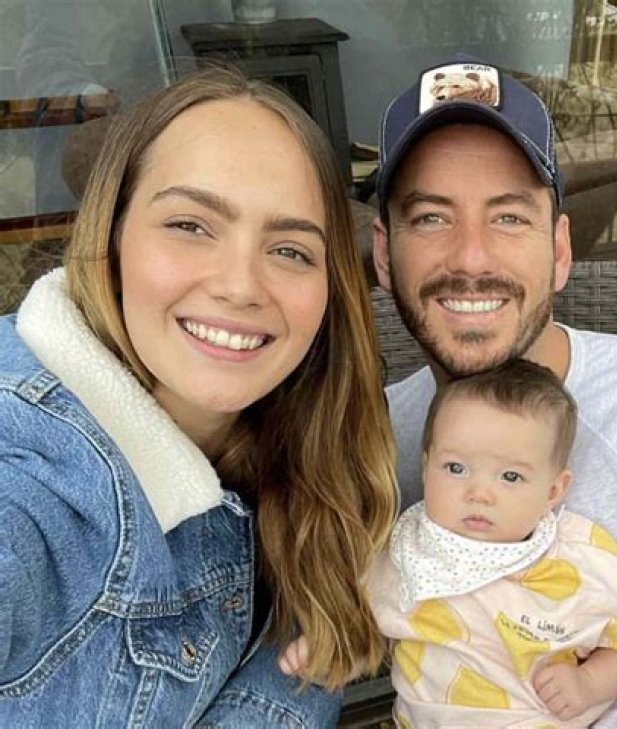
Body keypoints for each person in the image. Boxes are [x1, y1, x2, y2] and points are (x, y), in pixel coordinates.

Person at [0, 66, 397, 726]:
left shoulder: (312, 463)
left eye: (290, 250)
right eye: (190, 225)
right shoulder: (29, 483)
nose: (240, 284)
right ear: (111, 239)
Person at [371, 55, 617, 726]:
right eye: (432, 218)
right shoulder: (376, 439)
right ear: (385, 254)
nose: (471, 258)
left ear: (560, 250)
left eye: (508, 218)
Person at [281, 359, 617, 727]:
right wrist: (329, 654)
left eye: (511, 477)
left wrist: (588, 684)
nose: (479, 493)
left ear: (553, 490)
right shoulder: (406, 553)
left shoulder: (579, 560)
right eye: (456, 468)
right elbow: (367, 629)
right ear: (426, 467)